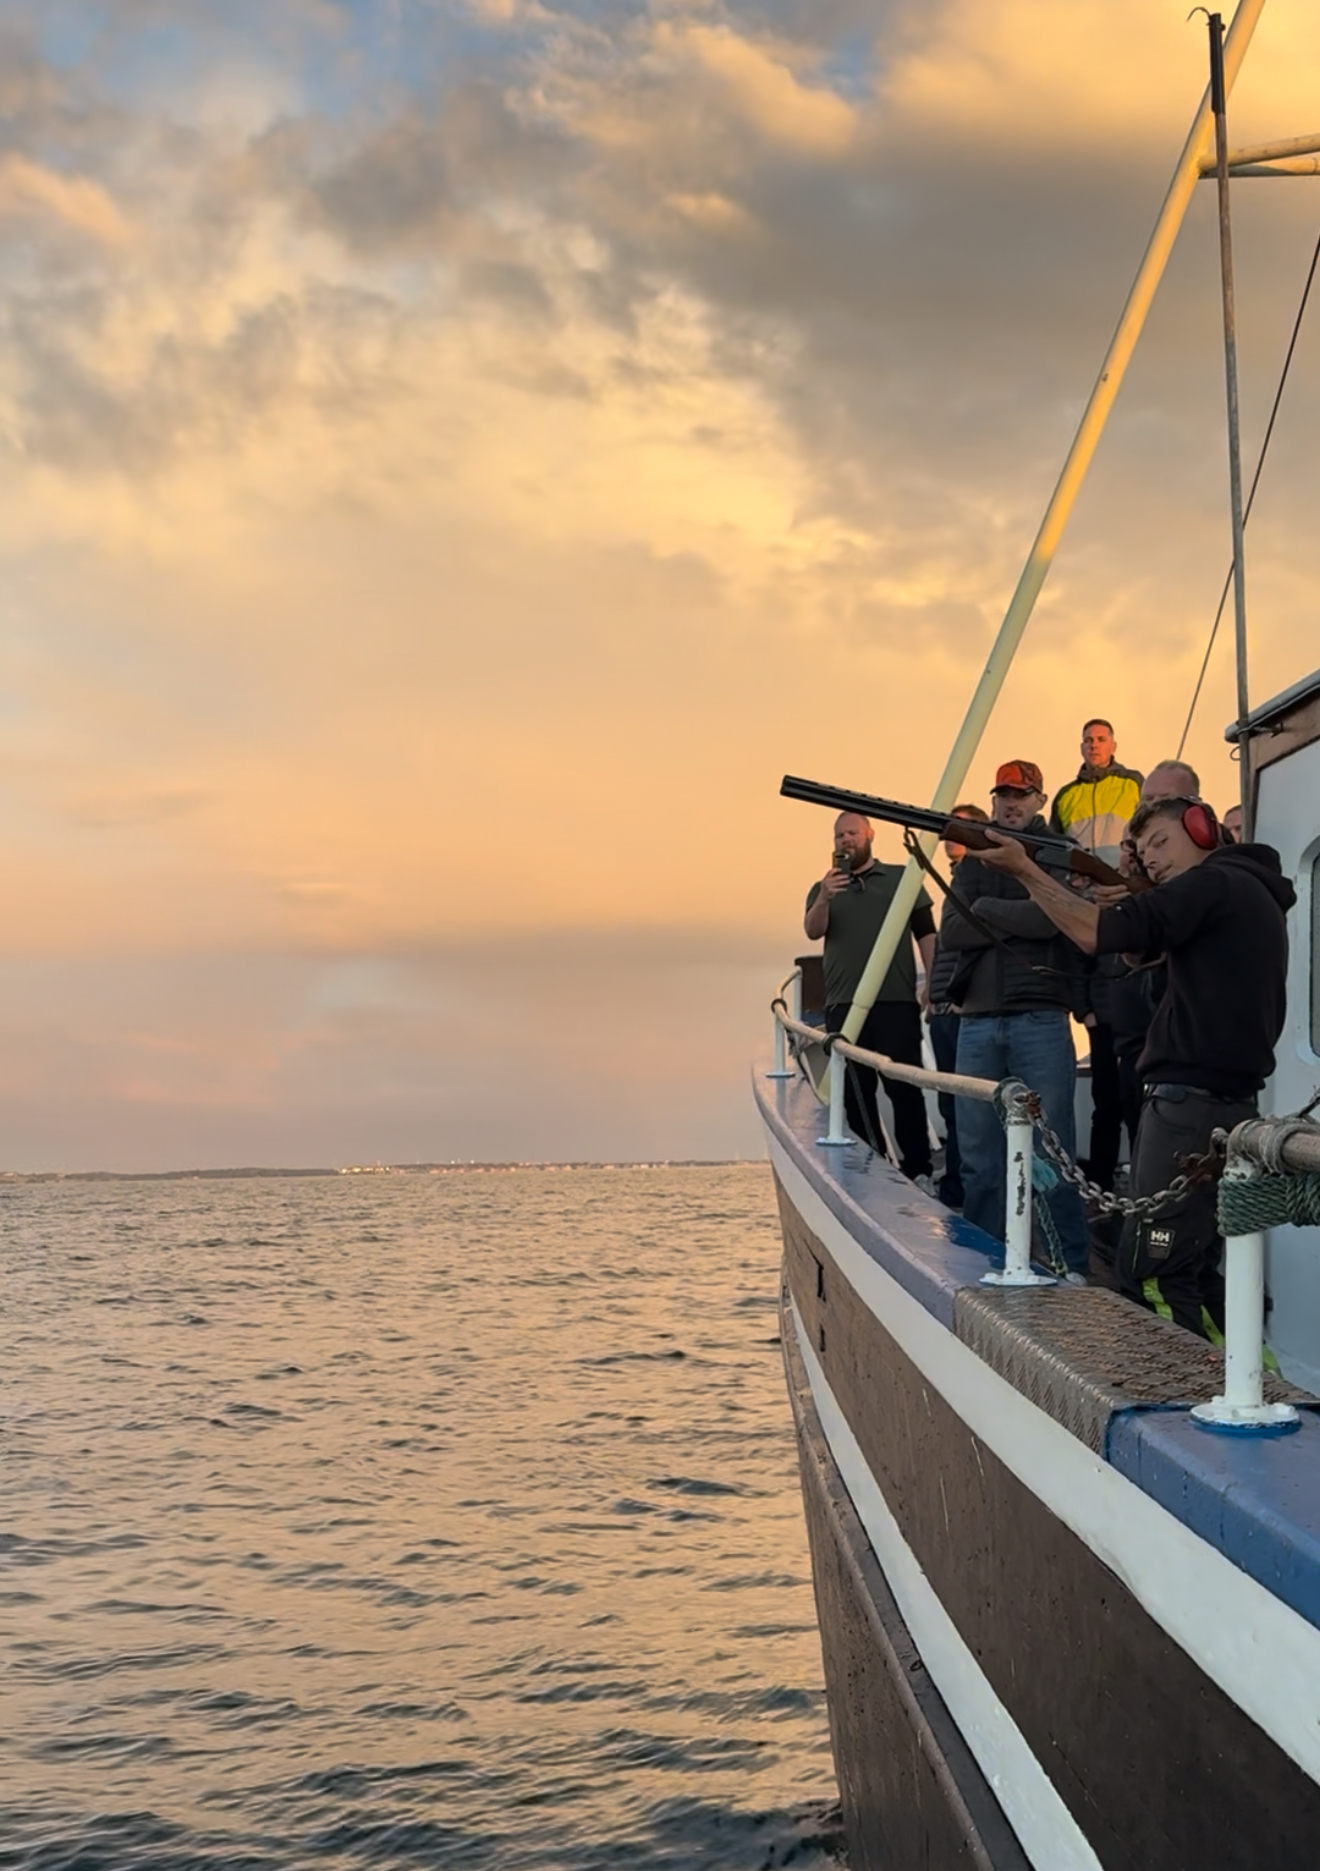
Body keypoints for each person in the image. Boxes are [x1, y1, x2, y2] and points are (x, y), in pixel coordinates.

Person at [973, 795, 1295, 1337]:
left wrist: (1025, 869)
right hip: (1223, 1105)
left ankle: (1179, 1397)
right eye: (1144, 855)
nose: (1153, 861)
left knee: (1151, 1271)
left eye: (1162, 842)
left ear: (1202, 828)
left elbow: (1094, 934)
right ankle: (1241, 1375)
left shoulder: (1211, 885)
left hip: (1186, 1108)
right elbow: (1134, 952)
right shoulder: (1245, 889)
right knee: (1199, 1268)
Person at [938, 761, 1092, 1277]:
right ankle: (982, 1262)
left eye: (1020, 795)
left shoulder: (1058, 855)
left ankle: (1069, 1265)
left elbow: (1053, 917)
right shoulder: (974, 857)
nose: (1010, 803)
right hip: (978, 1021)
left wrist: (983, 907)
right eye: (1003, 794)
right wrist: (1020, 914)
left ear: (1039, 800)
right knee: (978, 1158)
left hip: (1043, 1018)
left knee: (1055, 1151)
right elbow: (952, 932)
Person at [804, 811, 937, 1185]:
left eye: (852, 833)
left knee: (903, 1087)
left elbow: (926, 932)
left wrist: (934, 984)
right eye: (839, 836)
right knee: (855, 1093)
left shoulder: (902, 878)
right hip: (843, 1006)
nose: (846, 840)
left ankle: (919, 1169)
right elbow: (814, 931)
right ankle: (872, 1170)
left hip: (895, 1002)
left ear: (870, 835)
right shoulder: (823, 887)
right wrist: (825, 898)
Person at [1050, 720, 1143, 1191]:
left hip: (1127, 900)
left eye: (1101, 738)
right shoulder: (1064, 796)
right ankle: (1103, 1182)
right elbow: (1052, 854)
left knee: (1138, 1096)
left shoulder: (1134, 784)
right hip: (1087, 910)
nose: (1093, 745)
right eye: (1087, 739)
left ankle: (1144, 1176)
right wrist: (1081, 1007)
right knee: (1107, 1096)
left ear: (1114, 744)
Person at [924, 803, 990, 1208]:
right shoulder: (954, 880)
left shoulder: (983, 880)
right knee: (952, 1103)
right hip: (946, 1007)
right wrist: (934, 994)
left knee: (969, 1108)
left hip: (966, 1009)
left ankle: (967, 1191)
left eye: (959, 830)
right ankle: (957, 1186)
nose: (950, 838)